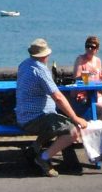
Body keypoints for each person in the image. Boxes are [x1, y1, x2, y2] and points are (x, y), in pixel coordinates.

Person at [16, 38, 88, 177]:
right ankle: (43, 159)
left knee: (57, 122)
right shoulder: (41, 70)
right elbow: (58, 97)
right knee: (73, 131)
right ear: (45, 56)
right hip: (34, 119)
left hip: (23, 115)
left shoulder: (24, 64)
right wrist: (75, 118)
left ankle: (34, 149)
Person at [72, 35, 102, 123]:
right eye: (87, 46)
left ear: (97, 49)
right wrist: (86, 75)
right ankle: (99, 132)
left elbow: (98, 83)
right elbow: (76, 78)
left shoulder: (98, 61)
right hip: (83, 96)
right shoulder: (80, 59)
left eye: (93, 47)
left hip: (96, 95)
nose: (90, 49)